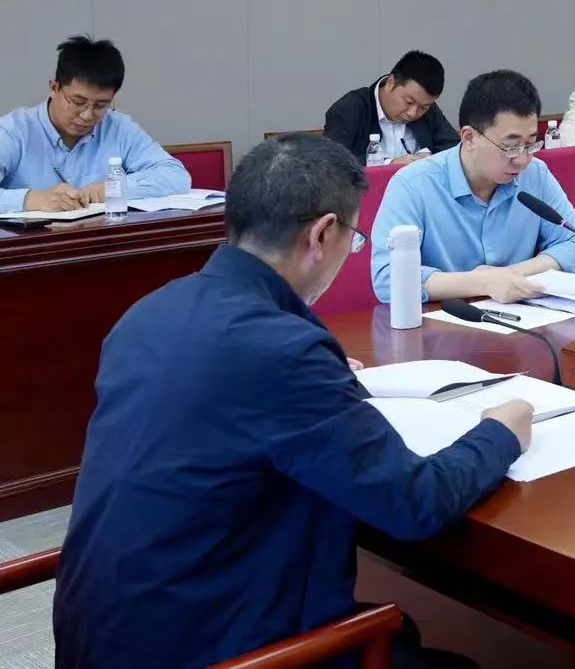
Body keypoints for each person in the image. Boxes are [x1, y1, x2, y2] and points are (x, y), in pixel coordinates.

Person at [53, 135, 529, 669]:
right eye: (353, 239)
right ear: (322, 234)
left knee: (406, 632)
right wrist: (502, 430)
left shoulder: (148, 313)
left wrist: (320, 379)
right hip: (212, 649)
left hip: (99, 634)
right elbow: (415, 504)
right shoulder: (282, 352)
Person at [370, 70, 575, 304]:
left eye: (530, 144)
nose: (522, 159)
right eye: (511, 147)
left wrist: (510, 276)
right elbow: (388, 279)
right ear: (469, 137)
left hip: (521, 317)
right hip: (442, 320)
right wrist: (482, 283)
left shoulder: (535, 174)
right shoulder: (413, 184)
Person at [0, 35, 187, 213]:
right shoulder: (13, 132)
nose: (87, 115)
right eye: (78, 102)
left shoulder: (119, 128)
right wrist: (32, 200)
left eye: (101, 105)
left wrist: (112, 188)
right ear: (54, 88)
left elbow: (176, 176)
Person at [322, 50, 458, 167]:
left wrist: (429, 158)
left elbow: (454, 147)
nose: (412, 113)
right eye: (409, 102)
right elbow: (332, 163)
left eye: (423, 108)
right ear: (391, 83)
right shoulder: (349, 110)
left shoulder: (426, 107)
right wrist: (389, 163)